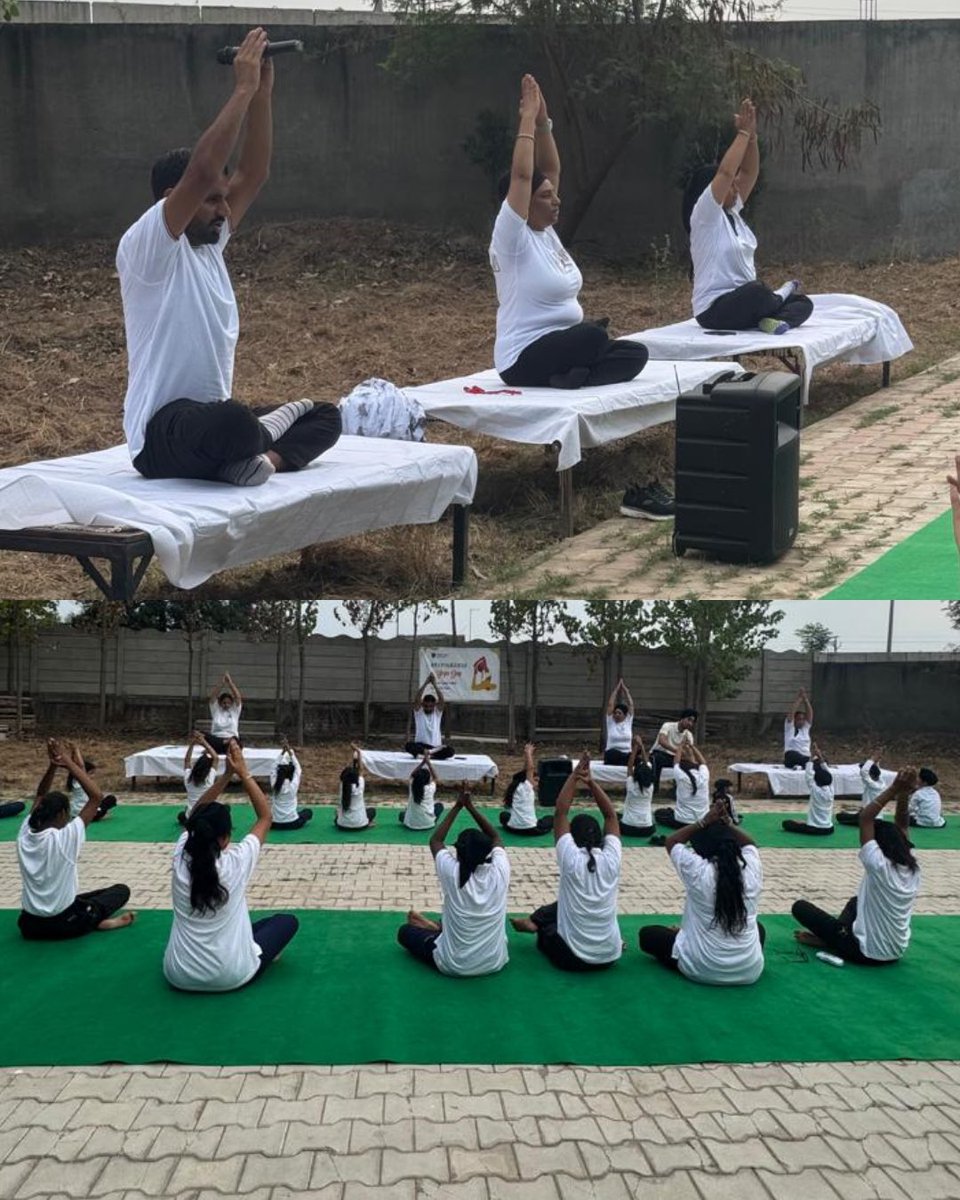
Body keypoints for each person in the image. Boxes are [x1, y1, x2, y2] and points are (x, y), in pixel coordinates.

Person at [117, 27, 341, 486]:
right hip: (161, 433)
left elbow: (254, 172)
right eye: (211, 200)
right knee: (235, 423)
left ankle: (257, 461)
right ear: (171, 197)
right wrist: (241, 88)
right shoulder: (150, 247)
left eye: (224, 200)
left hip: (209, 424)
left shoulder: (209, 245)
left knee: (326, 416)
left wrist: (263, 93)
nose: (224, 210)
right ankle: (252, 441)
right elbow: (201, 171)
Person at [490, 75, 668, 523]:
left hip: (564, 347)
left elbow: (549, 170)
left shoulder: (547, 234)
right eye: (546, 198)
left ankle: (573, 375)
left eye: (555, 196)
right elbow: (525, 174)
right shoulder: (511, 239)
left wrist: (547, 122)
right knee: (591, 337)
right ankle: (575, 368)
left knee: (633, 354)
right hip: (523, 356)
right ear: (522, 205)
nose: (556, 201)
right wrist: (527, 121)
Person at [163, 740, 299, 991]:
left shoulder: (181, 854)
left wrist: (225, 776)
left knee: (256, 926)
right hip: (231, 975)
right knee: (286, 921)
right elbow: (265, 817)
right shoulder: (236, 862)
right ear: (225, 839)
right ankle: (260, 956)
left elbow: (194, 816)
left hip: (178, 974)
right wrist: (243, 773)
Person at [683, 97, 813, 336]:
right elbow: (726, 171)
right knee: (757, 293)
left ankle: (767, 319)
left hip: (747, 303)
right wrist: (742, 134)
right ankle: (774, 302)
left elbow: (750, 171)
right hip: (716, 311)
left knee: (804, 304)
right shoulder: (705, 215)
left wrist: (752, 137)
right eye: (731, 185)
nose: (736, 187)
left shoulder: (732, 213)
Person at [791, 768, 921, 965]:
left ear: (880, 847)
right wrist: (903, 795)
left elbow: (865, 818)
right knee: (855, 902)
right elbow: (902, 826)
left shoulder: (878, 865)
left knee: (800, 908)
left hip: (864, 952)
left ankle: (832, 940)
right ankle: (835, 936)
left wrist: (895, 788)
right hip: (896, 951)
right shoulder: (912, 869)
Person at [512, 754, 623, 971]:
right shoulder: (612, 858)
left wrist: (574, 777)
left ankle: (535, 922)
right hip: (610, 956)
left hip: (573, 959)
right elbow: (611, 816)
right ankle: (537, 921)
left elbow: (561, 811)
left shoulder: (570, 857)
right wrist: (590, 782)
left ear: (573, 836)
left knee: (547, 931)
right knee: (565, 904)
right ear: (600, 838)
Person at [16, 739, 135, 941]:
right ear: (62, 814)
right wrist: (67, 762)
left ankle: (90, 914)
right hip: (64, 923)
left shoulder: (25, 833)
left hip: (29, 925)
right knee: (120, 891)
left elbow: (40, 793)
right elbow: (96, 796)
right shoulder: (65, 837)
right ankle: (99, 922)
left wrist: (53, 765)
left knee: (83, 897)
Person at [638, 799, 765, 985]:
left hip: (700, 967)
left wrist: (703, 821)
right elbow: (750, 843)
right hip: (749, 970)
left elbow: (672, 841)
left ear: (703, 851)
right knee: (758, 928)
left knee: (647, 935)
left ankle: (685, 937)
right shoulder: (751, 868)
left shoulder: (699, 870)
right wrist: (728, 824)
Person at [397, 789, 510, 976]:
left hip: (453, 964)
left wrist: (458, 806)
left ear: (458, 852)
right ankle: (439, 928)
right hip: (494, 960)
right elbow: (496, 837)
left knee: (404, 932)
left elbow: (436, 840)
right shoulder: (500, 869)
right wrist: (471, 808)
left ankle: (437, 930)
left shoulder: (453, 872)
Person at [500, 743, 553, 836]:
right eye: (535, 780)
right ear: (529, 779)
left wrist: (526, 755)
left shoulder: (517, 787)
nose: (537, 783)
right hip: (530, 829)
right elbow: (530, 769)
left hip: (513, 828)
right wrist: (528, 753)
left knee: (503, 815)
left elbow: (525, 771)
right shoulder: (527, 787)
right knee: (550, 818)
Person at [655, 741, 710, 830]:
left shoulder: (681, 776)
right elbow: (703, 762)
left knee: (659, 814)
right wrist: (692, 747)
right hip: (702, 821)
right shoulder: (704, 775)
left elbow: (676, 762)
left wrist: (680, 746)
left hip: (682, 822)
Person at [782, 748, 835, 836]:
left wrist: (812, 758)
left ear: (817, 781)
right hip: (829, 829)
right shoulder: (831, 790)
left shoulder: (815, 790)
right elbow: (827, 772)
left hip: (814, 829)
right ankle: (804, 823)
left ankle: (805, 824)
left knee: (786, 824)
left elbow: (808, 774)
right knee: (800, 823)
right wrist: (819, 756)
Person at [405, 673, 455, 760]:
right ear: (422, 704)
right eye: (426, 706)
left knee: (450, 751)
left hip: (435, 747)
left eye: (431, 706)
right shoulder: (419, 712)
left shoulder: (437, 713)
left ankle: (428, 754)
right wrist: (425, 683)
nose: (428, 708)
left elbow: (441, 700)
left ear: (434, 705)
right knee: (408, 746)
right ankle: (429, 754)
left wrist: (434, 684)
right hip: (421, 746)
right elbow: (417, 698)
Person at [62, 743, 116, 823]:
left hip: (75, 813)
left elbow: (73, 766)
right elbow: (80, 765)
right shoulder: (82, 781)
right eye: (91, 773)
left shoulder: (74, 781)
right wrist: (76, 749)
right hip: (87, 814)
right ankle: (101, 814)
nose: (93, 776)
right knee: (111, 799)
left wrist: (73, 752)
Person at [650, 709, 698, 794]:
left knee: (691, 765)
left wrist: (688, 751)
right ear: (682, 718)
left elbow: (689, 754)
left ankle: (681, 790)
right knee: (656, 759)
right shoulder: (668, 726)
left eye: (692, 722)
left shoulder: (689, 735)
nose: (690, 723)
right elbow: (662, 741)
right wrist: (678, 750)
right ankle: (654, 789)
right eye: (689, 720)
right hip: (660, 753)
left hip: (675, 758)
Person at [270, 737, 313, 830]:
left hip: (275, 824)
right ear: (291, 774)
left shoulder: (274, 785)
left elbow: (273, 768)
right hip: (292, 823)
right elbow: (298, 768)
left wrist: (282, 752)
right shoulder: (293, 785)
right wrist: (290, 752)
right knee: (308, 812)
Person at [618, 735, 656, 838]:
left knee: (615, 817)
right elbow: (647, 764)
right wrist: (641, 746)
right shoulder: (650, 787)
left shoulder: (631, 784)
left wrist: (635, 747)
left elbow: (630, 766)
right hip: (647, 830)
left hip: (628, 828)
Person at [180, 730, 220, 826]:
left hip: (191, 816)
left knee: (183, 814)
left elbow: (187, 761)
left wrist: (192, 744)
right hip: (206, 815)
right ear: (207, 768)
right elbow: (216, 758)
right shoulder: (209, 779)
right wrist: (204, 742)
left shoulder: (188, 779)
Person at [335, 745, 376, 831]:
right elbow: (360, 769)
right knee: (372, 811)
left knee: (336, 814)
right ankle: (368, 822)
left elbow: (354, 772)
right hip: (360, 825)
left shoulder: (342, 786)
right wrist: (358, 752)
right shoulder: (359, 785)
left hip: (342, 826)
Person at [400, 752, 445, 830]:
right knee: (439, 806)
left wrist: (422, 762)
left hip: (410, 824)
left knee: (401, 815)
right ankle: (432, 820)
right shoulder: (430, 788)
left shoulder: (412, 786)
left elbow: (412, 775)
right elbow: (435, 778)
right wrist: (428, 763)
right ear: (427, 780)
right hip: (429, 824)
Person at [836, 756, 886, 826]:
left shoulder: (872, 785)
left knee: (840, 816)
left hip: (868, 819)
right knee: (844, 815)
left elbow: (864, 772)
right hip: (878, 818)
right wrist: (877, 761)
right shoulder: (881, 783)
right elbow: (877, 772)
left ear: (871, 775)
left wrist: (872, 758)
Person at [207, 673, 243, 752]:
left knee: (234, 742)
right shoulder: (216, 710)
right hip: (216, 739)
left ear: (231, 703)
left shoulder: (234, 711)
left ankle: (221, 747)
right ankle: (219, 747)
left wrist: (230, 683)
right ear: (220, 703)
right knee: (202, 734)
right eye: (224, 703)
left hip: (231, 739)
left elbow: (238, 697)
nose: (226, 705)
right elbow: (213, 697)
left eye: (228, 703)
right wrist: (222, 683)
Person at [602, 679, 635, 765]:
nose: (616, 714)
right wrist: (616, 690)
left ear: (625, 715)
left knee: (635, 757)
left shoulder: (628, 721)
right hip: (612, 754)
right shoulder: (611, 722)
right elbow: (610, 704)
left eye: (619, 713)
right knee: (612, 754)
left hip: (626, 754)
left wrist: (626, 691)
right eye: (615, 713)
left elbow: (631, 705)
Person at [783, 688, 813, 769]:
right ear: (795, 720)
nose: (801, 721)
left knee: (820, 757)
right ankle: (807, 764)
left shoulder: (805, 729)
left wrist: (806, 700)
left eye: (803, 719)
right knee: (791, 755)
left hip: (806, 756)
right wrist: (799, 699)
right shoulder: (790, 728)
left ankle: (805, 764)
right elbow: (791, 714)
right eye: (799, 719)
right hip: (792, 756)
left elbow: (810, 714)